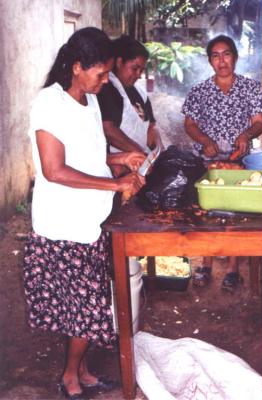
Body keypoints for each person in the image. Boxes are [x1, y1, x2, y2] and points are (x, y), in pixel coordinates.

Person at [23, 27, 146, 400]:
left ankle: (84, 371)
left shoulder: (91, 100)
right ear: (77, 67)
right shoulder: (49, 104)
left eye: (108, 73)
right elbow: (55, 170)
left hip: (91, 224)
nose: (106, 80)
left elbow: (88, 159)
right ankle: (70, 378)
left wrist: (120, 159)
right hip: (64, 227)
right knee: (86, 310)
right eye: (100, 73)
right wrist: (115, 185)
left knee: (83, 309)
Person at [182, 34, 262, 291]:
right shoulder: (199, 91)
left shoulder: (251, 88)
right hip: (207, 164)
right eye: (216, 56)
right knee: (207, 213)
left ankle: (232, 269)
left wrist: (247, 134)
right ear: (210, 61)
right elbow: (190, 124)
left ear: (235, 57)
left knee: (234, 213)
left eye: (226, 54)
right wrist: (203, 139)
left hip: (238, 163)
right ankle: (205, 265)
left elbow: (260, 121)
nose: (222, 61)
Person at [97, 34, 163, 158]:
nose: (138, 75)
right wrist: (140, 154)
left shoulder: (140, 92)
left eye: (141, 70)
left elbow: (151, 126)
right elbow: (109, 130)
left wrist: (158, 149)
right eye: (134, 68)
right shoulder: (107, 88)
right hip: (118, 162)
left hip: (141, 159)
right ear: (119, 62)